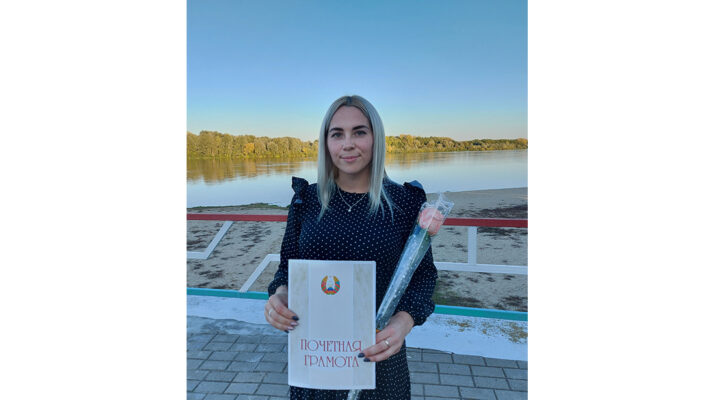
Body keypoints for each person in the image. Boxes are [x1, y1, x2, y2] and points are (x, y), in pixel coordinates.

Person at [265, 95, 437, 400]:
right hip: (315, 361)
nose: (348, 144)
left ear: (376, 138)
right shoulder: (306, 201)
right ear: (326, 142)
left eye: (359, 132)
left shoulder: (405, 203)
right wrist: (279, 297)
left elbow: (423, 277)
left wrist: (403, 322)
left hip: (379, 362)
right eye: (337, 134)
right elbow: (287, 269)